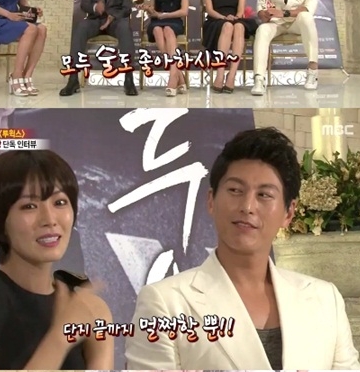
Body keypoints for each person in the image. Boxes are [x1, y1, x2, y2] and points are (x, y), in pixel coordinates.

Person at [125, 127, 360, 370]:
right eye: (235, 190)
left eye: (264, 195)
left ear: (289, 213)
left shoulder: (325, 300)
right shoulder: (165, 303)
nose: (247, 206)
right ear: (211, 200)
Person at [0, 150, 114, 369]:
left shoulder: (91, 309)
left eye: (60, 202)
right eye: (29, 206)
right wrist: (59, 338)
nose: (49, 219)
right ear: (0, 221)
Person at [60, 0, 138, 97]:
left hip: (115, 21)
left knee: (125, 28)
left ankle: (128, 79)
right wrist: (96, 7)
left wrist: (112, 15)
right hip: (95, 20)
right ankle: (73, 78)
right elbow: (84, 5)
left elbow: (127, 7)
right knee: (81, 27)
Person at [252, 0, 319, 96]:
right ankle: (259, 79)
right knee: (262, 30)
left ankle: (312, 71)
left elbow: (309, 7)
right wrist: (263, 14)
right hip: (276, 23)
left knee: (306, 17)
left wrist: (285, 13)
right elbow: (260, 4)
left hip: (296, 22)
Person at [202, 0, 258, 93]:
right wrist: (224, 17)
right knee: (227, 26)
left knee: (239, 27)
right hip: (216, 19)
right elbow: (210, 10)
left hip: (235, 18)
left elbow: (240, 10)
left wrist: (235, 17)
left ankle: (231, 75)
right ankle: (220, 74)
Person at [141, 0, 193, 96]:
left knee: (168, 30)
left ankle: (172, 77)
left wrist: (165, 15)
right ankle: (177, 75)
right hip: (156, 22)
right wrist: (147, 8)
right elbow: (152, 9)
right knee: (158, 30)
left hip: (174, 22)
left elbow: (184, 11)